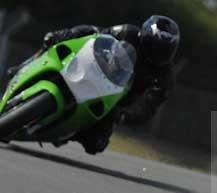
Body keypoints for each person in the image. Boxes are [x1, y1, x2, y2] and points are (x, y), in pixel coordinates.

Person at [9, 15, 180, 154]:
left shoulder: (164, 76)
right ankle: (24, 66)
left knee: (96, 144)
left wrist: (126, 116)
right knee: (52, 43)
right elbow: (94, 32)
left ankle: (67, 132)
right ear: (146, 37)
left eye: (165, 49)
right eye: (156, 46)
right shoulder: (127, 32)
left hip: (114, 101)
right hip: (93, 69)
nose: (159, 53)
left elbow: (150, 107)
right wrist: (64, 34)